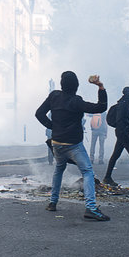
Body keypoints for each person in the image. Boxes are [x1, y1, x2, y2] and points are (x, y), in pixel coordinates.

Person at [35, 71, 110, 221]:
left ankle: (53, 202)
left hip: (57, 143)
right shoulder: (76, 101)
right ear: (76, 86)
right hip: (73, 145)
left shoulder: (54, 96)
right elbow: (100, 108)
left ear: (62, 85)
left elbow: (39, 113)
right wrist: (100, 87)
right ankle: (91, 208)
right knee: (87, 171)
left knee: (59, 169)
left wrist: (53, 127)